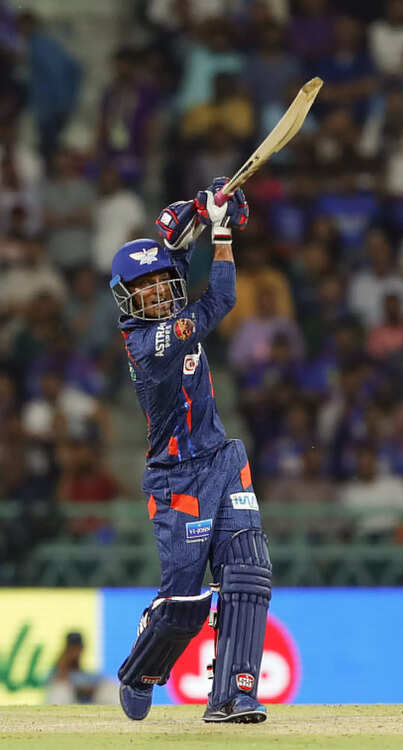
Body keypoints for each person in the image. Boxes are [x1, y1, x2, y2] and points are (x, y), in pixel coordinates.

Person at [109, 178, 271, 724]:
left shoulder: (168, 300)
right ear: (126, 299)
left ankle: (232, 696)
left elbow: (173, 239)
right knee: (184, 606)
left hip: (221, 458)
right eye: (145, 290)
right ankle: (140, 668)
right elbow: (221, 298)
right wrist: (218, 233)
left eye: (163, 284)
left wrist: (203, 209)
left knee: (248, 573)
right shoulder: (146, 343)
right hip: (177, 478)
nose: (158, 295)